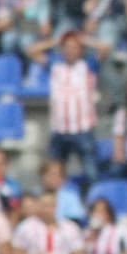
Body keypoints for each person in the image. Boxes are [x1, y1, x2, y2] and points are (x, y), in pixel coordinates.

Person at [28, 30, 103, 185]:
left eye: (74, 47)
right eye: (67, 47)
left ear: (80, 49)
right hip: (59, 130)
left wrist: (84, 39)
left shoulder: (88, 66)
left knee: (91, 173)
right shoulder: (55, 66)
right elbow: (31, 51)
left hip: (83, 129)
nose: (70, 50)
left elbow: (105, 48)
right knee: (54, 172)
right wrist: (55, 41)